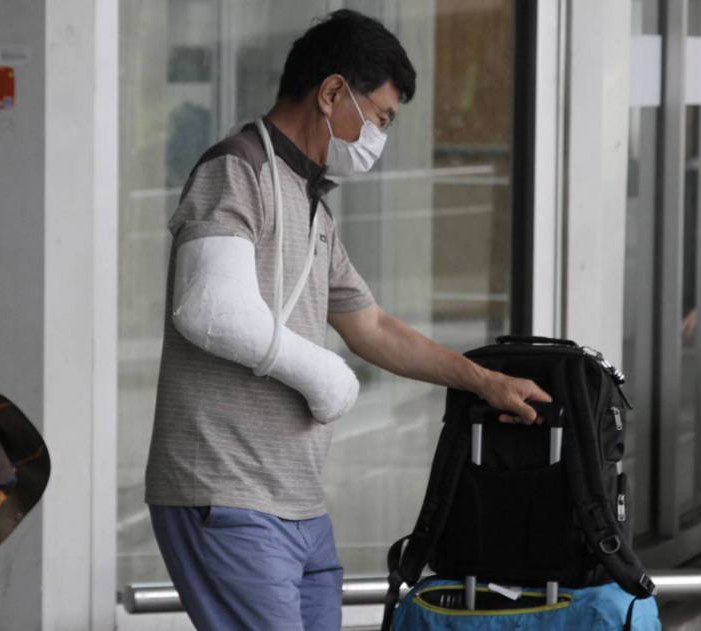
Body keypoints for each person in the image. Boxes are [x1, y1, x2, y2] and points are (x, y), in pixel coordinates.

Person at [145, 9, 552, 631]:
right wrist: (325, 376)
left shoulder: (311, 205)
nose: (379, 138)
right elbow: (211, 310)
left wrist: (483, 381)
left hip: (296, 502)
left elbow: (374, 328)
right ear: (333, 92)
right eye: (381, 117)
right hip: (228, 492)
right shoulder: (237, 169)